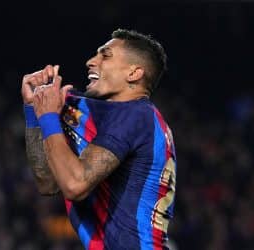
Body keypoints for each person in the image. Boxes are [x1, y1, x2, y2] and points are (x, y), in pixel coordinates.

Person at [22, 29, 177, 250]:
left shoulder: (136, 116)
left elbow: (75, 185)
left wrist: (47, 116)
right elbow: (48, 182)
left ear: (134, 73)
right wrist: (34, 110)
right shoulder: (119, 119)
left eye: (105, 55)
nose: (90, 61)